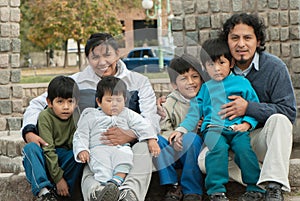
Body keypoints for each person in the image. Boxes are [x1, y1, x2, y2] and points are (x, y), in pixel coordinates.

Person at [21, 32, 161, 201]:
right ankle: (96, 194)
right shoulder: (77, 82)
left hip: (130, 145)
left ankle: (128, 195)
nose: (102, 62)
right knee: (86, 154)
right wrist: (29, 131)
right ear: (87, 58)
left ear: (118, 53)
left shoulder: (139, 81)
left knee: (144, 147)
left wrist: (130, 135)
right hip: (95, 144)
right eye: (95, 57)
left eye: (107, 55)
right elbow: (37, 104)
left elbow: (151, 120)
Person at [197, 13, 297, 201]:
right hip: (223, 138)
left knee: (280, 120)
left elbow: (289, 112)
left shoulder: (274, 68)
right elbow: (197, 97)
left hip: (258, 138)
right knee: (203, 161)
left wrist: (248, 108)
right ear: (227, 41)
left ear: (258, 41)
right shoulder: (217, 67)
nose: (241, 44)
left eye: (247, 38)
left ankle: (274, 186)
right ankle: (261, 182)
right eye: (235, 38)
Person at [170, 38, 265, 201]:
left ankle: (254, 188)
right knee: (217, 149)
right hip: (213, 129)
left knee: (244, 150)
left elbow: (253, 105)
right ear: (205, 67)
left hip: (237, 128)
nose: (217, 68)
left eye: (221, 62)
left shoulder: (242, 83)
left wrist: (247, 124)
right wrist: (181, 129)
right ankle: (216, 191)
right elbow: (194, 112)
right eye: (211, 64)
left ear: (231, 63)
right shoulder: (206, 87)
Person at [73, 76, 160, 201]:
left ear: (125, 100)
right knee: (100, 165)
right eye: (109, 100)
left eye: (118, 100)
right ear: (99, 101)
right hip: (98, 148)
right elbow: (81, 134)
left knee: (125, 158)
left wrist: (151, 139)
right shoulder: (90, 115)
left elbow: (143, 125)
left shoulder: (128, 114)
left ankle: (115, 183)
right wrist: (82, 149)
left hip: (120, 147)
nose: (114, 104)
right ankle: (103, 191)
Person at [22, 75, 84, 201]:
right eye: (60, 101)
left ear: (76, 102)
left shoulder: (77, 116)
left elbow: (77, 143)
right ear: (49, 102)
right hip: (47, 156)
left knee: (79, 155)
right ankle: (44, 192)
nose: (66, 107)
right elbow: (48, 149)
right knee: (30, 149)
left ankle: (65, 194)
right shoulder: (45, 117)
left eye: (70, 101)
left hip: (65, 158)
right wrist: (59, 179)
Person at [154, 53, 205, 201]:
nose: (191, 82)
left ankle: (192, 190)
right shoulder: (170, 102)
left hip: (197, 149)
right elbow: (163, 128)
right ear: (174, 84)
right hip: (174, 150)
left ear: (201, 78)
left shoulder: (206, 98)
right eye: (184, 78)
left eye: (195, 76)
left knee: (191, 137)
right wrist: (174, 137)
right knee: (156, 140)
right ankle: (173, 185)